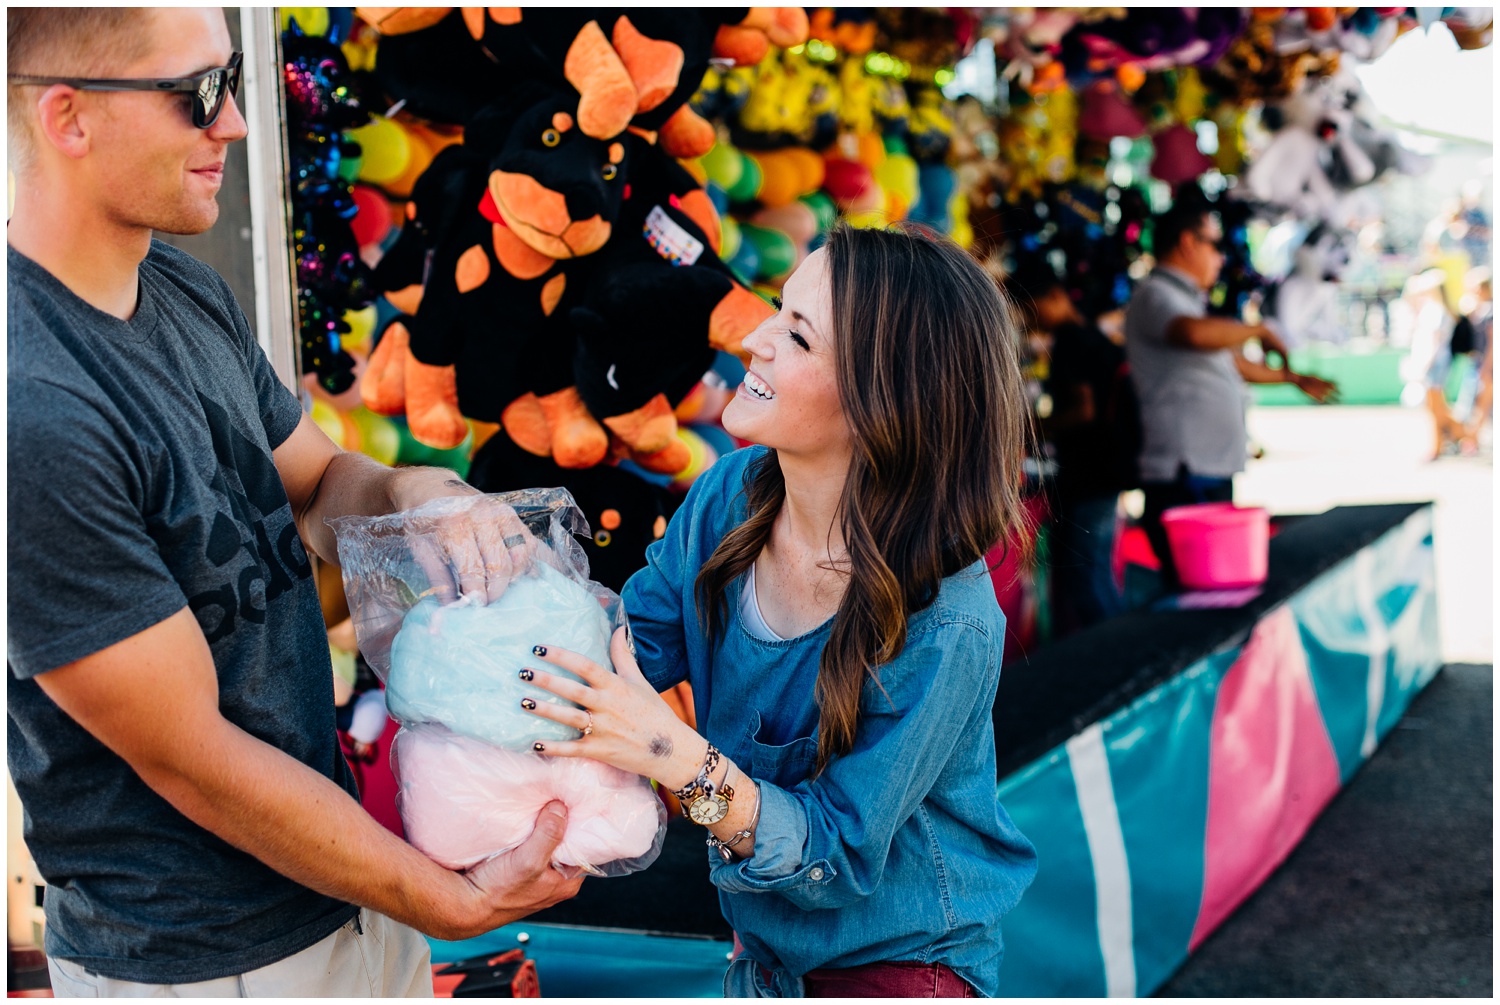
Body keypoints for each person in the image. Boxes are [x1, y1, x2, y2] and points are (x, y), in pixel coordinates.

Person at [7, 9, 581, 996]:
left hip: (339, 890)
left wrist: (419, 494)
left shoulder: (181, 288)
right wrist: (445, 902)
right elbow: (192, 758)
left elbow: (317, 481)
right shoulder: (35, 408)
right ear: (69, 118)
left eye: (231, 84)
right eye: (197, 94)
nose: (232, 123)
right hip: (203, 960)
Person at [516, 224, 1040, 997]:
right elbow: (620, 646)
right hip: (766, 965)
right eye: (777, 311)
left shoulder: (947, 619)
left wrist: (672, 754)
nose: (755, 339)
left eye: (796, 335)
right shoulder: (728, 495)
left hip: (901, 975)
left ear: (880, 399)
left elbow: (837, 855)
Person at [1124, 206, 1336, 589]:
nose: (1222, 258)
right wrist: (1255, 330)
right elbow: (1192, 334)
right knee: (1197, 591)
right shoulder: (1156, 294)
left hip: (1204, 468)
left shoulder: (1186, 300)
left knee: (1213, 587)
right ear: (1188, 243)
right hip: (1184, 471)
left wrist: (1291, 377)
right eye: (1215, 245)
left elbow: (1231, 362)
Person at [1008, 261, 1137, 632]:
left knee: (1089, 578)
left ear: (1054, 297)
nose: (1031, 323)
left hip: (1092, 473)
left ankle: (1113, 660)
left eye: (1031, 311)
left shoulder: (1070, 342)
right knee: (1091, 573)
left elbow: (1083, 410)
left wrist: (1028, 431)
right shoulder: (1090, 336)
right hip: (1103, 470)